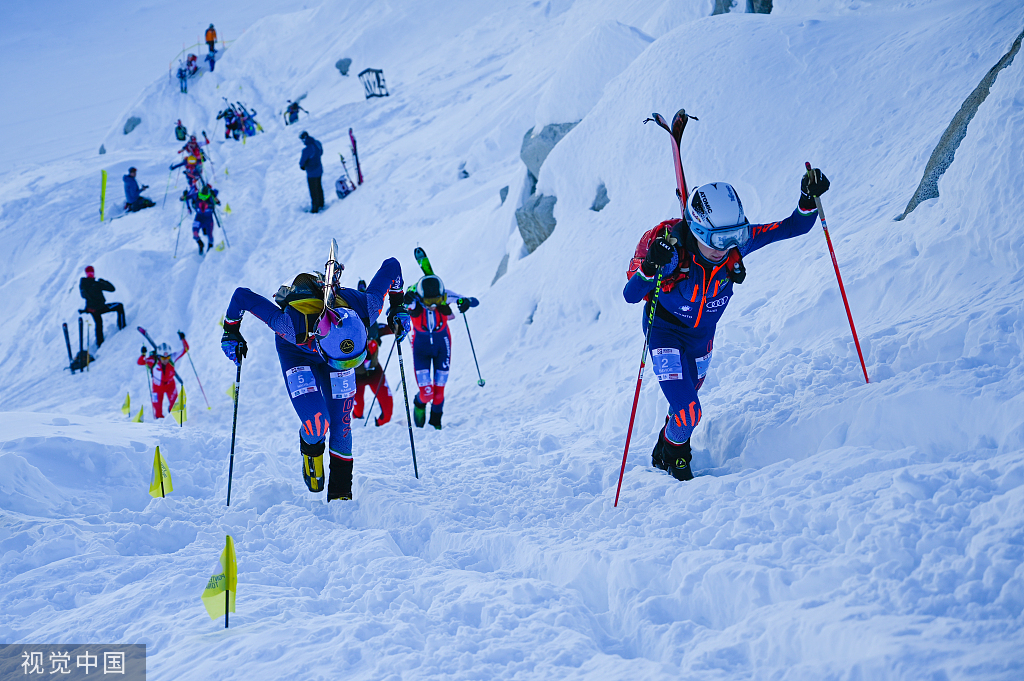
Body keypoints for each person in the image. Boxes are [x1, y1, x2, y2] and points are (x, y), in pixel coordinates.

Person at [623, 170, 831, 481]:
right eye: (718, 239)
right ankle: (676, 457)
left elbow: (793, 227)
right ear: (695, 230)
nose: (726, 248)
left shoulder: (735, 246)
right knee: (688, 411)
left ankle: (665, 447)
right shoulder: (673, 255)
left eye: (736, 235)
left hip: (701, 338)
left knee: (686, 399)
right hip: (664, 332)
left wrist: (808, 199)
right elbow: (630, 295)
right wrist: (651, 266)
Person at [219, 257, 411, 501]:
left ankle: (341, 494)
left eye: (351, 362)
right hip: (296, 352)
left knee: (342, 425)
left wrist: (397, 306)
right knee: (317, 422)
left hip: (332, 347)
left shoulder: (368, 308)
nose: (346, 367)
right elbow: (242, 296)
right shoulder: (290, 326)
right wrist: (230, 331)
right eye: (343, 363)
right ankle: (311, 449)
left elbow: (392, 265)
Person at [403, 275, 479, 430]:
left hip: (442, 346)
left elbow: (472, 301)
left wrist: (465, 302)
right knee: (426, 393)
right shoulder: (413, 299)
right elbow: (393, 311)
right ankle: (419, 415)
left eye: (437, 301)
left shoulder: (445, 294)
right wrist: (402, 304)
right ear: (420, 297)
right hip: (421, 348)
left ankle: (435, 425)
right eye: (428, 302)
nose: (432, 305)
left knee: (439, 392)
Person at [138, 333, 189, 419]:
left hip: (170, 385)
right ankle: (161, 426)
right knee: (157, 412)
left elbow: (185, 349)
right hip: (157, 388)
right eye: (163, 358)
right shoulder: (153, 360)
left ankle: (172, 419)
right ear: (159, 356)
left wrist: (183, 339)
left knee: (175, 407)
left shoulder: (172, 358)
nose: (166, 360)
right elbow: (140, 362)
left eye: (167, 358)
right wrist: (143, 354)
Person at [78, 266, 126, 347]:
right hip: (100, 308)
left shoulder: (83, 284)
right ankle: (122, 327)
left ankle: (99, 343)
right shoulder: (97, 284)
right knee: (119, 306)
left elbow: (84, 296)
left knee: (99, 324)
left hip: (91, 309)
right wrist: (103, 281)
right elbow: (112, 289)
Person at [181, 183, 220, 255]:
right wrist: (185, 194)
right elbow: (183, 198)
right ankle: (200, 243)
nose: (202, 198)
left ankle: (210, 248)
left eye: (204, 196)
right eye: (201, 196)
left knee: (210, 235)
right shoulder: (196, 195)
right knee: (195, 232)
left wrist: (214, 196)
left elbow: (218, 202)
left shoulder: (211, 197)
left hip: (208, 219)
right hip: (199, 218)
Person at [298, 131, 324, 213]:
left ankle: (315, 207)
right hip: (319, 169)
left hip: (312, 172)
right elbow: (321, 152)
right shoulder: (317, 143)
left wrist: (304, 166)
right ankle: (321, 203)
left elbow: (302, 162)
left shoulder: (307, 149)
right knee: (319, 187)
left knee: (313, 190)